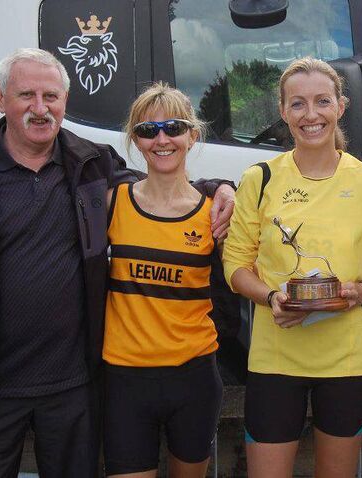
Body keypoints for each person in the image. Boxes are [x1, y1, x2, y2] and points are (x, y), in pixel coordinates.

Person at [0, 48, 233, 477]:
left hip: (72, 390)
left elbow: (159, 189)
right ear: (0, 98)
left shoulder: (92, 167)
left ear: (65, 101)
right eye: (26, 95)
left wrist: (220, 188)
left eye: (51, 96)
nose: (40, 109)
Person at [222, 57, 362, 478]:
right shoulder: (261, 178)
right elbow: (235, 263)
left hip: (348, 360)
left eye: (322, 101)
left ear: (341, 106)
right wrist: (271, 296)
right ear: (283, 112)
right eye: (298, 104)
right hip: (276, 359)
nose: (311, 114)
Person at [102, 83, 223, 478]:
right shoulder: (113, 203)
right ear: (135, 140)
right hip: (124, 379)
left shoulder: (214, 213)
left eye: (173, 127)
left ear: (192, 135)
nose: (162, 140)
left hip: (193, 378)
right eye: (147, 130)